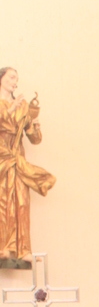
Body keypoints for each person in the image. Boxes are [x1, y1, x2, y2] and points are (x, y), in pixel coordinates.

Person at [0, 67, 56, 262]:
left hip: (18, 160)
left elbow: (35, 139)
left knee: (22, 203)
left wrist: (35, 124)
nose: (15, 81)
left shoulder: (22, 106)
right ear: (1, 79)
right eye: (11, 77)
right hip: (2, 159)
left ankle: (23, 249)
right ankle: (3, 247)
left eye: (16, 78)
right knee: (3, 202)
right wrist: (10, 109)